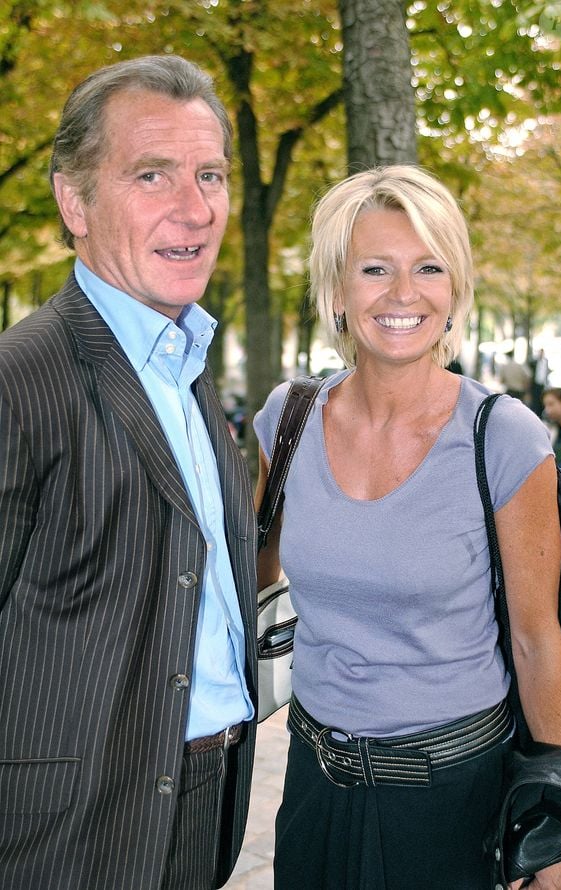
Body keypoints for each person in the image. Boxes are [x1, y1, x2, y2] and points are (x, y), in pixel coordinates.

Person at [254, 166, 561, 890]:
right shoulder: (289, 416)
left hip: (454, 799)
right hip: (314, 787)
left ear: (455, 290)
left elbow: (535, 640)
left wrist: (560, 824)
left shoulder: (503, 435)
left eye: (428, 267)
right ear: (338, 291)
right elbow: (257, 574)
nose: (404, 294)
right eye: (375, 269)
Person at [0, 56, 257, 890]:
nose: (196, 207)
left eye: (210, 173)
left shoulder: (184, 366)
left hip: (198, 808)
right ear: (74, 202)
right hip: (62, 840)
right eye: (153, 175)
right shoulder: (19, 381)